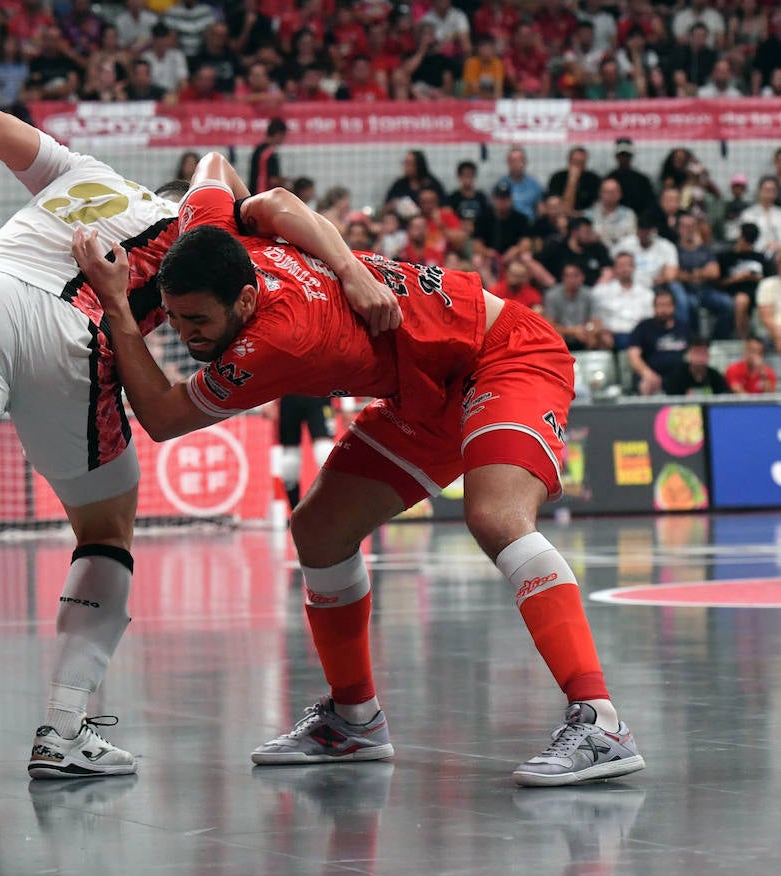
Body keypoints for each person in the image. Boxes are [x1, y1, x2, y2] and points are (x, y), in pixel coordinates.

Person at [0, 108, 399, 779]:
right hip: (70, 320)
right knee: (104, 527)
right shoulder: (213, 236)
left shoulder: (83, 171)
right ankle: (63, 732)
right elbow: (223, 193)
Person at [70, 158, 645, 787]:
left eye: (198, 323)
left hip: (503, 352)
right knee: (318, 529)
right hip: (422, 389)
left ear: (245, 298)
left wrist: (119, 309)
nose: (187, 336)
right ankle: (354, 720)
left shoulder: (276, 342)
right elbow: (227, 171)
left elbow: (160, 414)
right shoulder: (212, 237)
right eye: (174, 323)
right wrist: (336, 260)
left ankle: (602, 723)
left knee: (495, 516)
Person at [626, 288, 691, 395]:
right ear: (654, 307)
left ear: (673, 307)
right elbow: (633, 357)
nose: (663, 310)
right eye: (659, 305)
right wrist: (647, 374)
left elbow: (692, 354)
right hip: (650, 376)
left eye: (666, 305)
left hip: (678, 378)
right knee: (646, 384)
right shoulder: (643, 328)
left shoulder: (683, 329)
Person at [662, 336, 729, 396]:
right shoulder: (676, 377)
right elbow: (670, 402)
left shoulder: (715, 376)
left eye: (702, 353)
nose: (699, 357)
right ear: (688, 355)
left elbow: (724, 399)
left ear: (708, 356)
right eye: (696, 352)